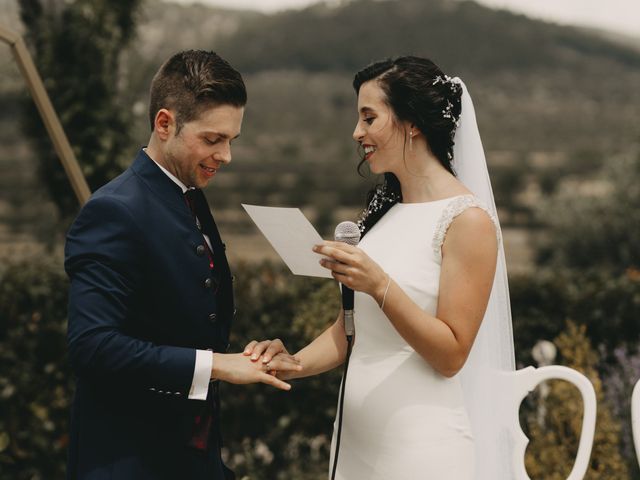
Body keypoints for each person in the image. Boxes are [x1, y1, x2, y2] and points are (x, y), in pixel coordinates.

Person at [245, 56, 515, 479]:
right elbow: (351, 330)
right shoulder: (385, 213)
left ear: (412, 123)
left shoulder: (468, 221)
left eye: (369, 118)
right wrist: (292, 364)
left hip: (419, 450)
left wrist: (379, 284)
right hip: (357, 442)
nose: (357, 133)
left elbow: (451, 354)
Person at [64, 50, 301, 480]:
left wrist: (249, 356)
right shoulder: (113, 211)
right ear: (164, 123)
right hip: (128, 463)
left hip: (194, 459)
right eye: (213, 140)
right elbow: (92, 347)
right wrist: (218, 364)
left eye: (232, 140)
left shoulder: (190, 196)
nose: (226, 155)